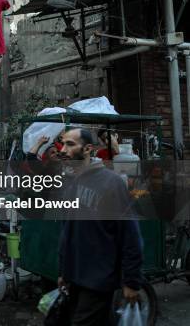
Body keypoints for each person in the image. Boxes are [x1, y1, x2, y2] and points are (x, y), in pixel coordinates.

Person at [57, 128, 143, 326]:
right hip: (74, 276)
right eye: (63, 143)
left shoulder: (111, 183)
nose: (62, 149)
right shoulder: (71, 182)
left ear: (87, 149)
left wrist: (131, 281)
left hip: (98, 279)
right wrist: (63, 270)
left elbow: (130, 235)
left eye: (70, 144)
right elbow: (67, 230)